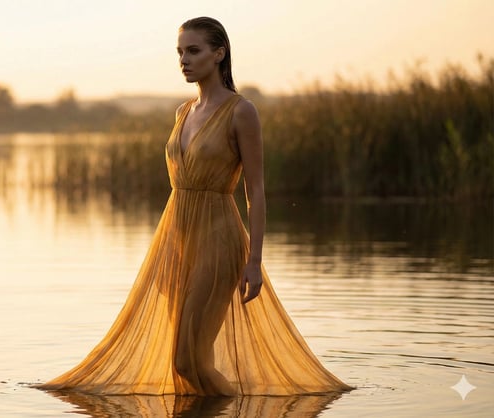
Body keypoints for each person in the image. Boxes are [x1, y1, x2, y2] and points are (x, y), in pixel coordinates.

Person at [36, 16, 353, 396]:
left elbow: (256, 191)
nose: (184, 60)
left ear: (219, 54)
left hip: (219, 240)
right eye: (180, 52)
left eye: (193, 51)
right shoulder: (182, 112)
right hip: (176, 240)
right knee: (187, 358)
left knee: (186, 361)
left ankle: (233, 407)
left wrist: (254, 261)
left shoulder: (241, 111)